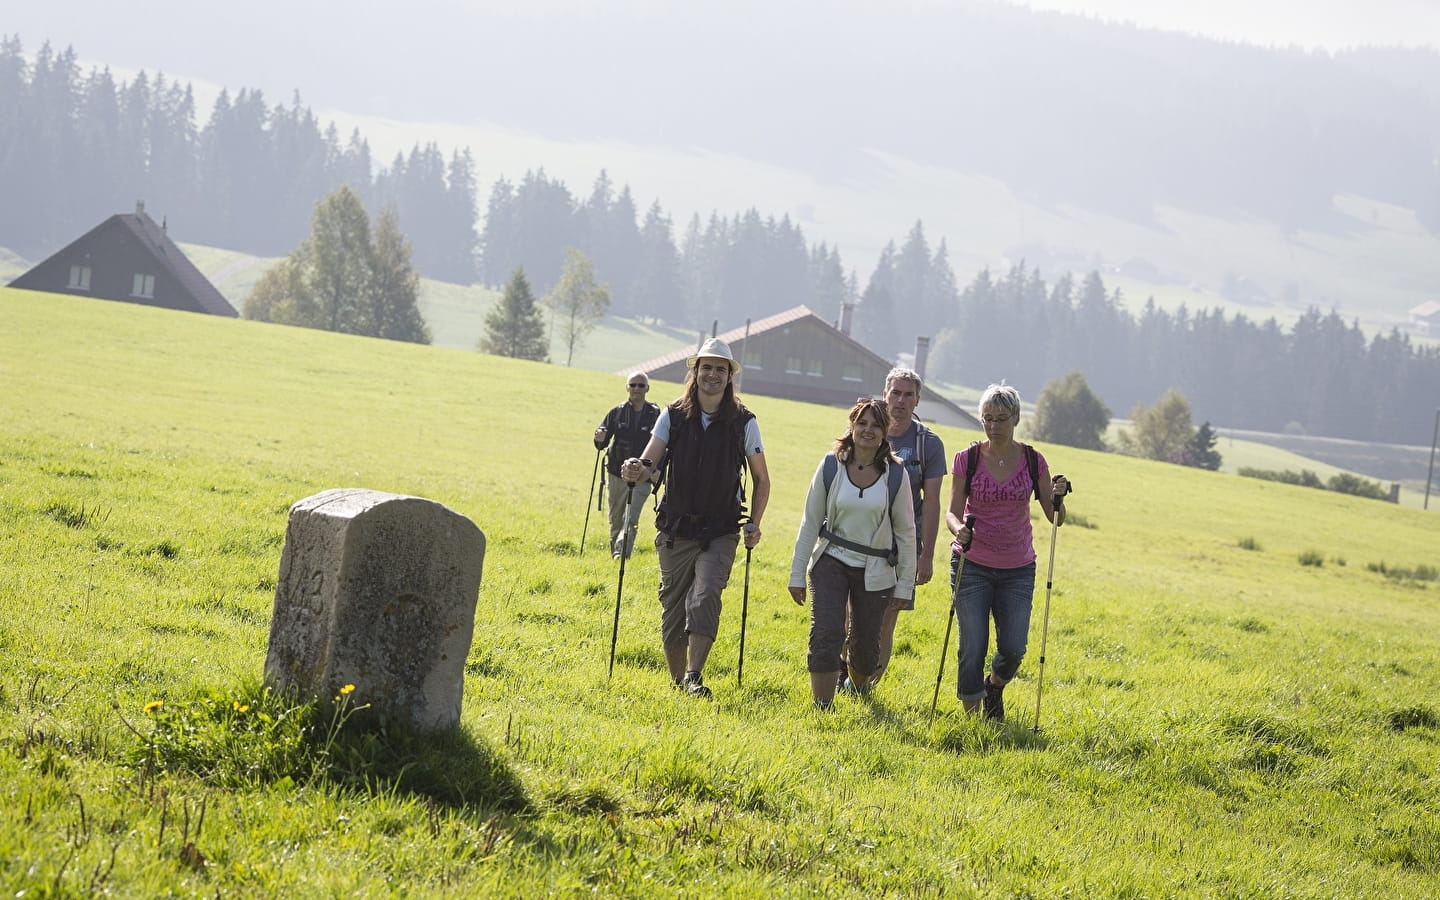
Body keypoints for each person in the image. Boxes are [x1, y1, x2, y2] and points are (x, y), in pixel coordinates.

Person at [620, 338, 769, 699]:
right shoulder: (672, 415)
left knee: (704, 596)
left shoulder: (744, 422)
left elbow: (762, 479)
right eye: (707, 367)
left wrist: (755, 523)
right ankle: (677, 682)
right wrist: (636, 468)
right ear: (695, 372)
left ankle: (693, 675)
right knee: (672, 607)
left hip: (721, 529)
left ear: (729, 376)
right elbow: (650, 459)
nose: (713, 375)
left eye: (720, 369)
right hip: (676, 527)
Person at [945, 382, 1069, 721]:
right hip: (971, 563)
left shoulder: (1032, 460)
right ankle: (973, 721)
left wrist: (1059, 496)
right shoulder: (967, 459)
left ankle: (995, 686)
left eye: (1001, 418)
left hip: (1017, 568)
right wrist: (960, 530)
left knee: (1014, 648)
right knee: (972, 644)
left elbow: (1054, 516)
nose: (993, 426)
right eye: (987, 418)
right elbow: (951, 512)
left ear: (1015, 419)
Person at [790, 399, 916, 709]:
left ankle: (855, 686)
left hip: (876, 569)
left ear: (885, 432)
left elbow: (907, 533)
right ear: (852, 426)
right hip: (830, 560)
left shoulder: (896, 476)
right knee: (827, 630)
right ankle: (823, 705)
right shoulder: (831, 465)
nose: (868, 430)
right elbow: (809, 522)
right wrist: (796, 574)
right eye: (862, 423)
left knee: (865, 648)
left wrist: (905, 585)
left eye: (875, 425)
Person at [869, 367, 946, 686]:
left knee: (886, 619)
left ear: (918, 400)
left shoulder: (928, 444)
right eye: (895, 392)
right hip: (859, 537)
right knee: (850, 614)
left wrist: (924, 557)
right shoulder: (866, 429)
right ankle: (846, 671)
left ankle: (867, 684)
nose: (900, 400)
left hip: (901, 546)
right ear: (885, 394)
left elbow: (931, 503)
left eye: (908, 394)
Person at [594, 372, 661, 559]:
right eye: (633, 385)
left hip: (643, 476)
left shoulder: (655, 414)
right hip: (616, 473)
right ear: (627, 387)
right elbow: (602, 443)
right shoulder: (617, 412)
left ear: (647, 388)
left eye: (641, 385)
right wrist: (598, 438)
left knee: (630, 518)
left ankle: (621, 554)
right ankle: (615, 552)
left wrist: (657, 472)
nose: (636, 389)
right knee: (616, 518)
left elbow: (664, 446)